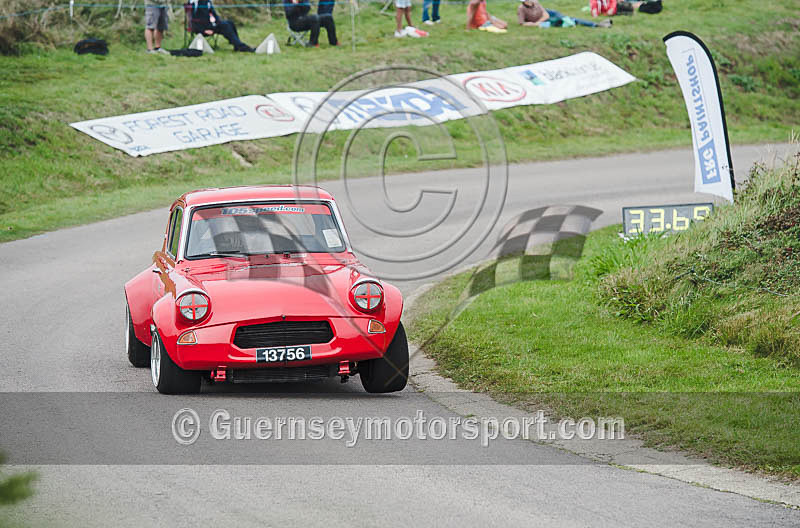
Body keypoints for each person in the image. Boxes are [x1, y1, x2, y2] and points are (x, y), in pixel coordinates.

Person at [190, 0, 255, 52]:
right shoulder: (195, 3)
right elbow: (194, 20)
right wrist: (203, 30)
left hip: (211, 25)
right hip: (204, 28)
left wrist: (218, 22)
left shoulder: (207, 1)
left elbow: (213, 14)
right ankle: (241, 46)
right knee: (225, 26)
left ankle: (237, 45)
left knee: (230, 23)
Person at [518, 0, 611, 28]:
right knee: (570, 20)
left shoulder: (536, 2)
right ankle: (597, 24)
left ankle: (596, 24)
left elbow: (546, 14)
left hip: (548, 14)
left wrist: (538, 22)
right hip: (544, 19)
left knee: (567, 19)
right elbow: (522, 23)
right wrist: (535, 24)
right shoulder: (521, 9)